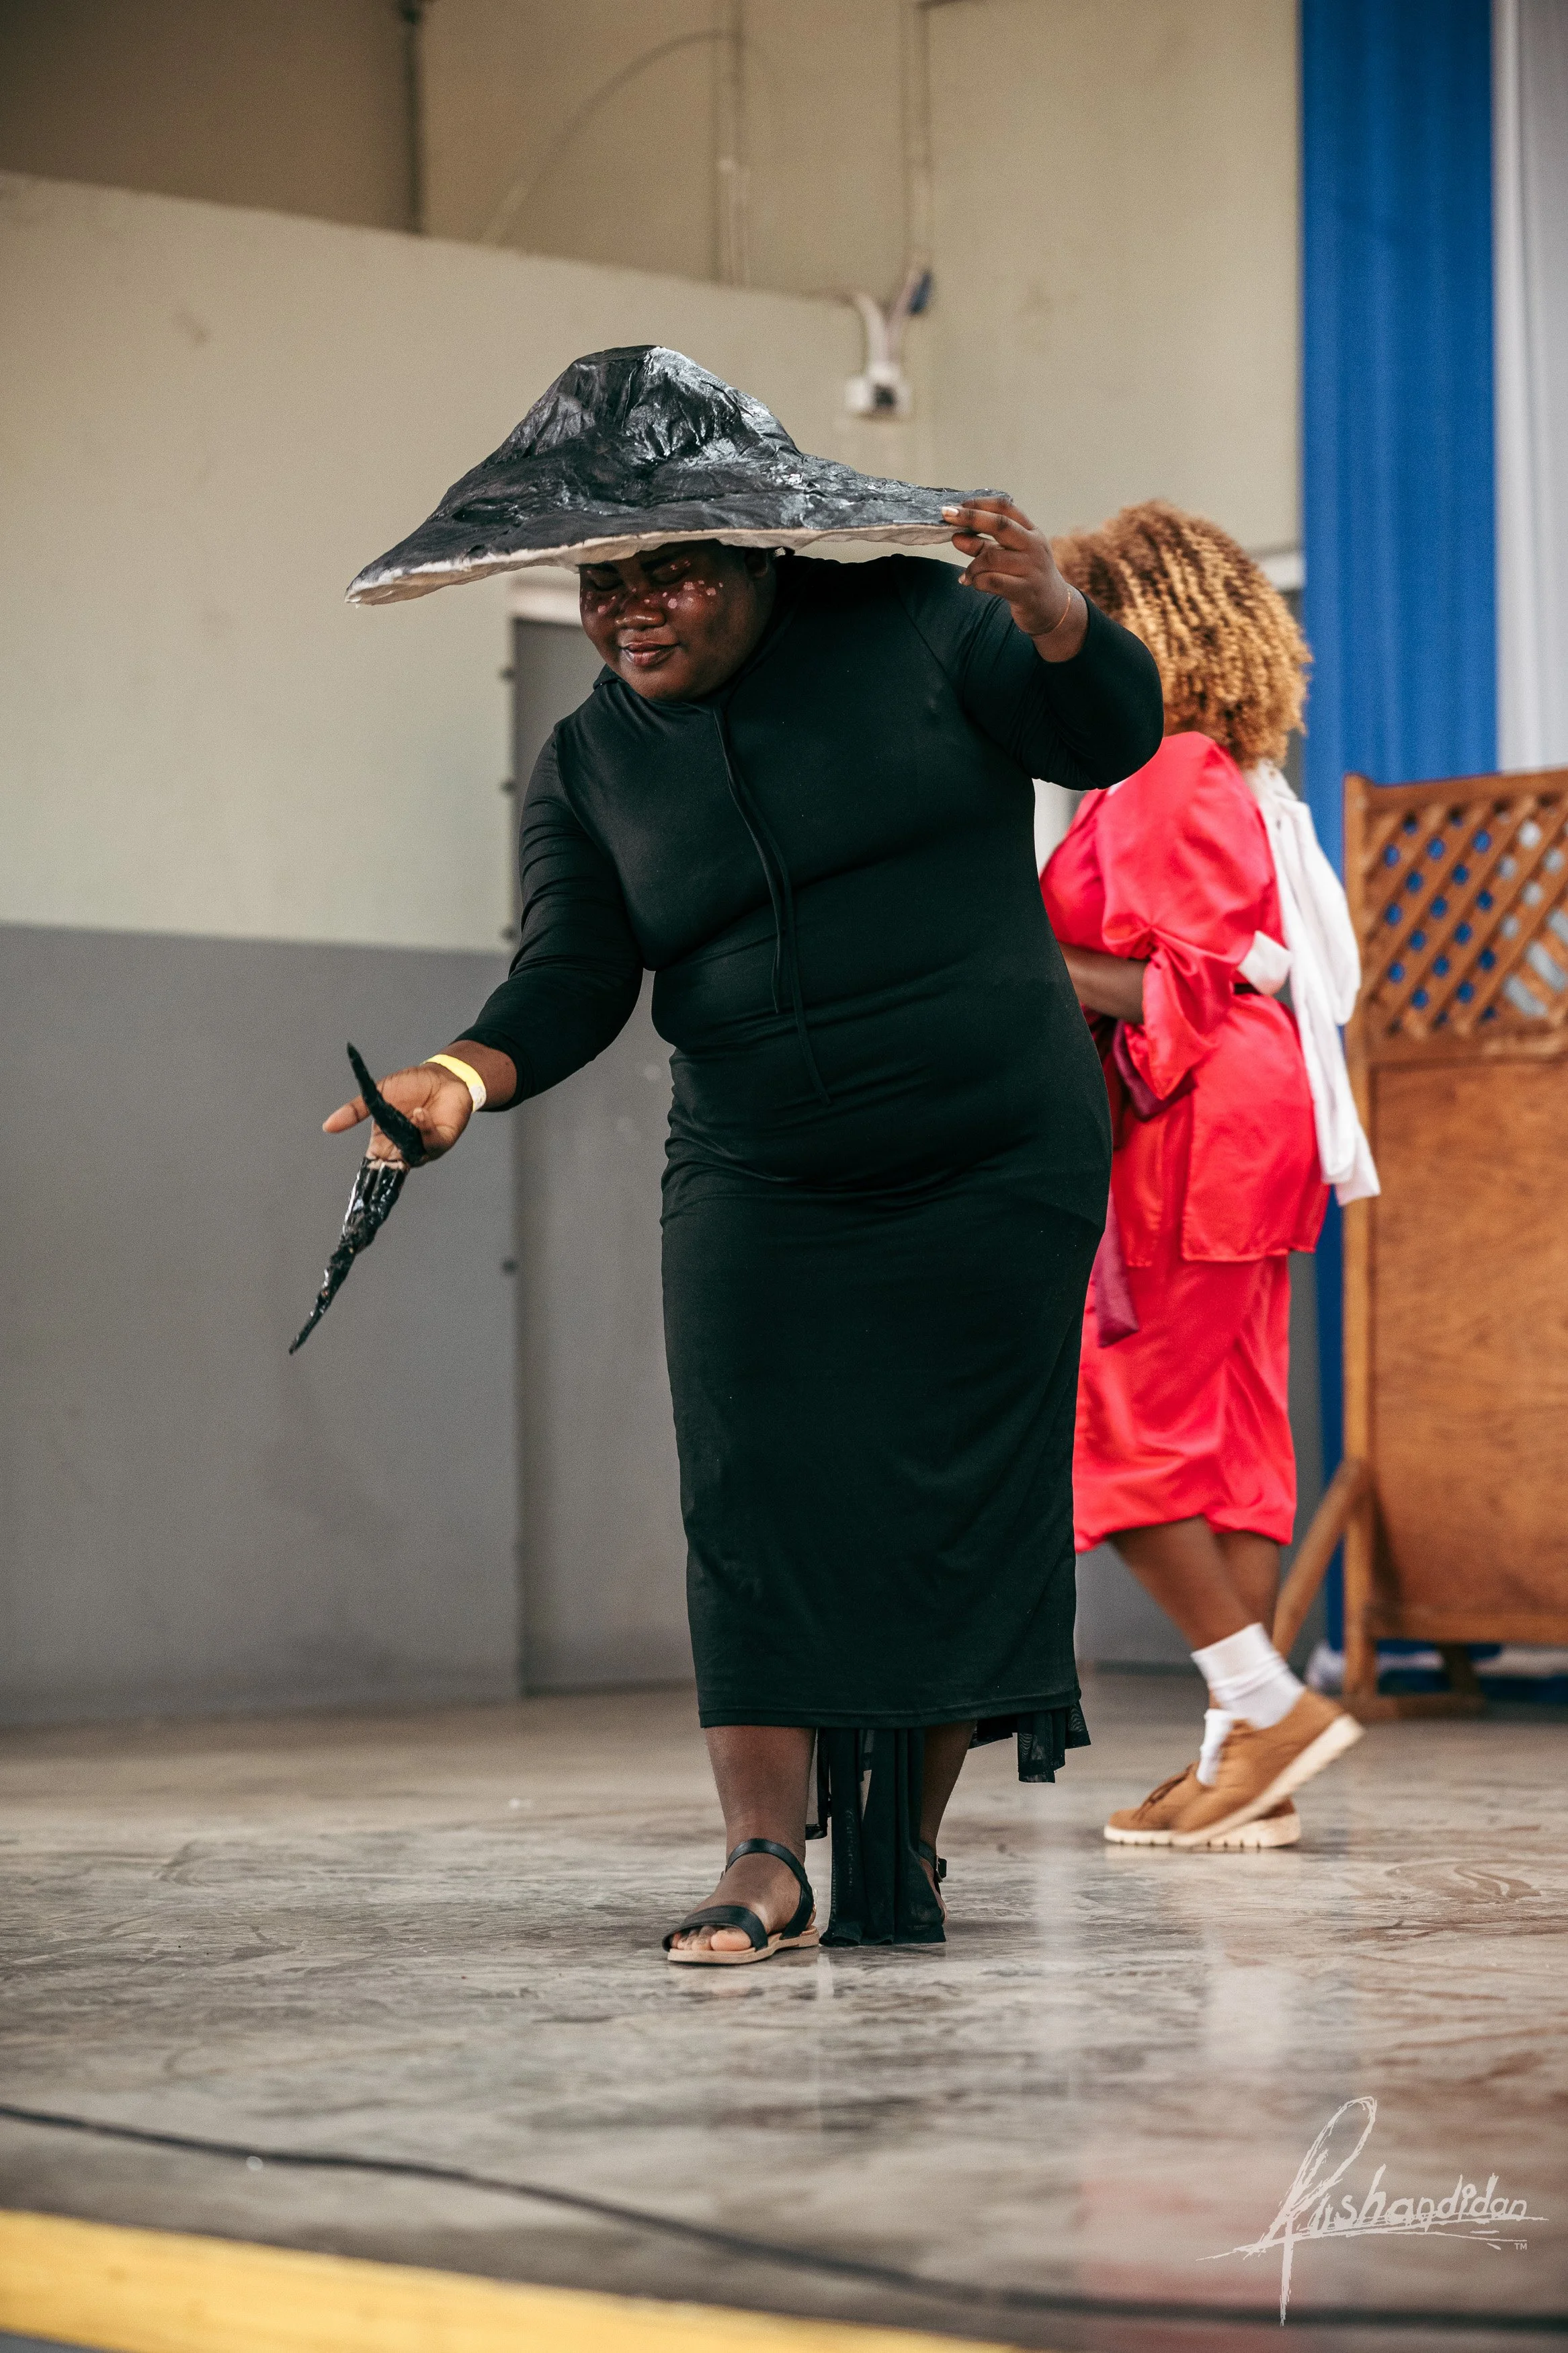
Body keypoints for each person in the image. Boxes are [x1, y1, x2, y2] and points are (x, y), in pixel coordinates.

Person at [327, 346, 1163, 1958]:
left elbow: (1101, 736)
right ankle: (762, 1855)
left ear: (765, 556)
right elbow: (572, 969)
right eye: (604, 579)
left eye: (674, 571)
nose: (633, 607)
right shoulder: (589, 760)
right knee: (755, 1491)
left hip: (992, 1154)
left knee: (949, 1499)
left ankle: (901, 1848)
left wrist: (1055, 612)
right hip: (759, 1170)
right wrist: (456, 1078)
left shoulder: (926, 625)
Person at [1041, 500, 1376, 1853]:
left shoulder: (1169, 769)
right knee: (1228, 1445)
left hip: (1194, 1121)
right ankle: (1239, 1751)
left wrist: (993, 947)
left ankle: (1263, 1701)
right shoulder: (1217, 769)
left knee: (1108, 1426)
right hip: (1245, 1120)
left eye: (1071, 628)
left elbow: (1171, 982)